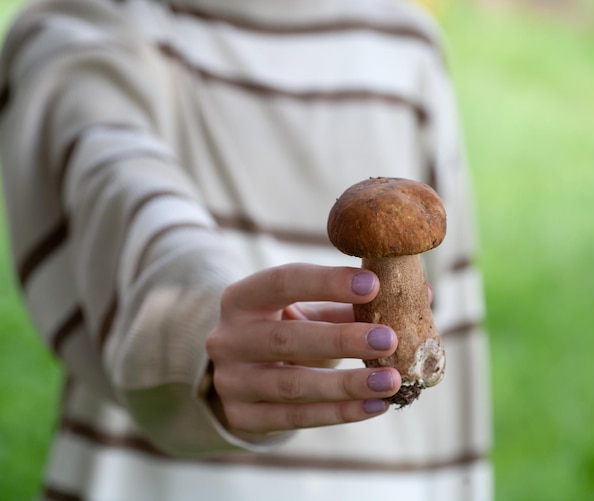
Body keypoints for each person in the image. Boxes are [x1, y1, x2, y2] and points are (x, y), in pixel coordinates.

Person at [0, 0, 492, 499]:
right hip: (158, 480)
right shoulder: (88, 24)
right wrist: (194, 320)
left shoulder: (411, 43)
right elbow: (120, 182)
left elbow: (452, 301)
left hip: (388, 478)